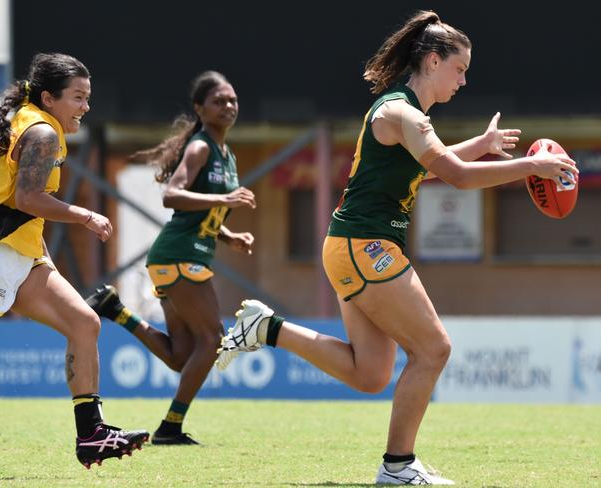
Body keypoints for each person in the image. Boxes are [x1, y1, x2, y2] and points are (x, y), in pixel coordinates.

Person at [215, 10, 578, 486]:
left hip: (351, 245)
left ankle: (267, 328)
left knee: (370, 373)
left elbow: (430, 169)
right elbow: (455, 176)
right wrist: (532, 169)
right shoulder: (401, 112)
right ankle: (398, 466)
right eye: (460, 69)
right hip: (365, 245)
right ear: (432, 61)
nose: (464, 80)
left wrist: (482, 144)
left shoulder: (407, 115)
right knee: (433, 349)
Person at [0, 53, 149, 469]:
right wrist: (86, 215)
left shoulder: (32, 120)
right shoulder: (43, 133)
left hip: (20, 252)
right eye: (77, 97)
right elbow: (27, 199)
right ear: (49, 97)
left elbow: (20, 205)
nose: (85, 107)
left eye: (87, 98)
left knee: (84, 323)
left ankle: (92, 434)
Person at [86, 70, 255, 445]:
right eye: (218, 101)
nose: (228, 106)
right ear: (200, 108)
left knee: (183, 356)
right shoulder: (200, 147)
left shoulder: (226, 154)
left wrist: (229, 236)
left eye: (232, 100)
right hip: (181, 256)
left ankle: (118, 311)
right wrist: (225, 200)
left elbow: (202, 215)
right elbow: (172, 196)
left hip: (175, 256)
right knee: (211, 340)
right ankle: (171, 427)